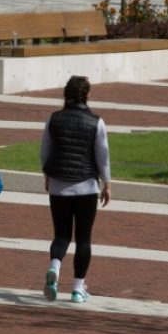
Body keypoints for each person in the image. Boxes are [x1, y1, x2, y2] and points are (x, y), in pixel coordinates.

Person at [39, 75, 111, 303]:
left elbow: (45, 152)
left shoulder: (54, 119)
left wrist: (47, 175)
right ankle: (78, 289)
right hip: (86, 187)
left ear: (65, 95)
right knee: (83, 239)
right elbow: (103, 157)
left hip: (59, 186)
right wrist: (107, 183)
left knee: (61, 235)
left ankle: (55, 267)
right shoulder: (96, 122)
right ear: (87, 95)